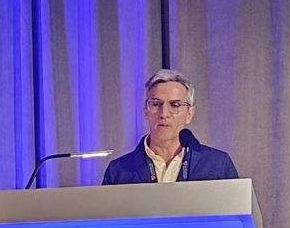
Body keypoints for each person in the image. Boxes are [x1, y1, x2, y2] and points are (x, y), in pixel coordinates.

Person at [101, 69, 239, 184]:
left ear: (189, 114)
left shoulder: (217, 165)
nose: (164, 114)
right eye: (156, 104)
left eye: (175, 105)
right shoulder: (119, 170)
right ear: (145, 111)